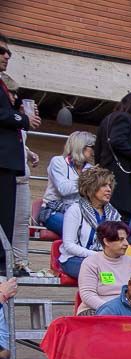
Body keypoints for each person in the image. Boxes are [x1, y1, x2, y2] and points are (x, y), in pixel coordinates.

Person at [0, 36, 40, 268]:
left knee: (10, 219)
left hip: (9, 163)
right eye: (2, 51)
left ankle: (6, 264)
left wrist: (23, 117)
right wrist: (23, 118)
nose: (6, 56)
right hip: (3, 162)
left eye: (9, 53)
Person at [95, 92, 131, 243]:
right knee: (124, 218)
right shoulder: (124, 119)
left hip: (113, 176)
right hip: (121, 178)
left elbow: (99, 150)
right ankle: (129, 250)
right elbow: (117, 141)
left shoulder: (107, 120)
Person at [59, 167, 123, 278]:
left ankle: (114, 293)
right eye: (104, 185)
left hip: (105, 260)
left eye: (109, 186)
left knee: (127, 271)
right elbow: (69, 245)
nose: (109, 189)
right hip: (74, 259)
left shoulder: (114, 213)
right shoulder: (75, 210)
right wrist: (99, 255)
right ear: (90, 188)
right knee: (107, 275)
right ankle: (96, 294)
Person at [38, 130, 94, 235]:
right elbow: (63, 189)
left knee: (101, 230)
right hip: (54, 211)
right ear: (81, 147)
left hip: (80, 212)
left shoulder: (90, 168)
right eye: (92, 147)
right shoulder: (58, 162)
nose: (93, 151)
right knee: (81, 231)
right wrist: (87, 180)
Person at [77, 220, 131, 314]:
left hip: (127, 308)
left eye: (126, 239)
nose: (126, 244)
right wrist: (112, 309)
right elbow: (88, 295)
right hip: (96, 308)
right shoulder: (91, 262)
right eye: (121, 239)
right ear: (106, 241)